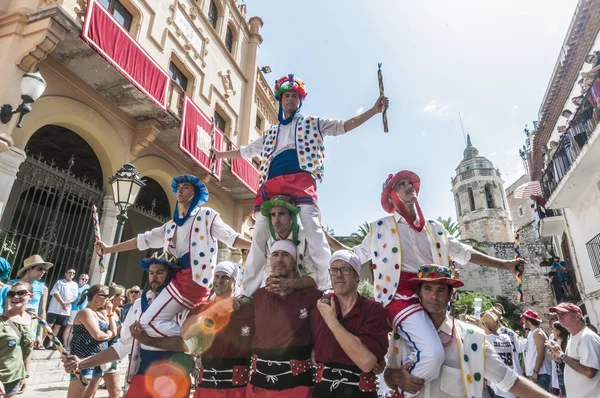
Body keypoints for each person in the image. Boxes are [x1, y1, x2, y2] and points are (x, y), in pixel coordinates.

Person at [326, 170, 525, 395]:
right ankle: (399, 390)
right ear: (391, 196)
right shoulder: (379, 228)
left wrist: (506, 264)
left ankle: (398, 377)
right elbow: (353, 256)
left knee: (454, 347)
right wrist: (324, 238)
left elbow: (465, 253)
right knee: (432, 354)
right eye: (401, 184)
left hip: (433, 297)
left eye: (409, 183)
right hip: (400, 298)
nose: (409, 186)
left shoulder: (436, 228)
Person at [212, 74, 389, 299]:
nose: (290, 99)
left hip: (301, 181)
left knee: (313, 229)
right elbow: (246, 151)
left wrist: (374, 111)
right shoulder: (270, 134)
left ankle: (327, 286)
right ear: (280, 100)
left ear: (300, 100)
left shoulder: (312, 123)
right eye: (286, 96)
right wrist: (220, 155)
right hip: (271, 183)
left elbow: (343, 126)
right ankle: (247, 291)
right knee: (259, 235)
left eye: (294, 96)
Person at [95, 174, 251, 340]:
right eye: (178, 188)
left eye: (185, 187)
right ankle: (194, 331)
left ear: (195, 192)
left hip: (193, 281)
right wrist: (109, 249)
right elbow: (143, 240)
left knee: (148, 323)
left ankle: (197, 334)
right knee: (144, 315)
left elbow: (231, 237)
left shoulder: (206, 215)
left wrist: (257, 244)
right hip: (174, 280)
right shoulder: (171, 225)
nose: (180, 190)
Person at [382, 265, 554, 398]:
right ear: (418, 292)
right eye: (428, 289)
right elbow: (388, 375)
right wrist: (394, 377)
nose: (433, 296)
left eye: (441, 290)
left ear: (450, 295)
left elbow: (509, 380)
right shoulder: (402, 335)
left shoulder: (473, 339)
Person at [64, 251, 192, 398]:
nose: (154, 277)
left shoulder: (185, 305)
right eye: (151, 273)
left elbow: (189, 344)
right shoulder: (138, 305)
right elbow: (122, 346)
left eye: (160, 272)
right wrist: (82, 363)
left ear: (172, 275)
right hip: (142, 376)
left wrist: (147, 340)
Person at [235, 239, 322, 397]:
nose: (279, 259)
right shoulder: (258, 296)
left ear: (295, 263)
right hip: (257, 387)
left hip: (296, 388)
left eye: (286, 255)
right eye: (275, 255)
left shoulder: (312, 297)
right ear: (270, 261)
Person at [311, 250, 388, 397]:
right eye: (334, 270)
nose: (338, 275)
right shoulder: (318, 309)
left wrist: (331, 321)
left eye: (345, 269)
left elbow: (366, 362)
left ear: (357, 276)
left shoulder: (373, 311)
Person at [173, 261, 253, 397]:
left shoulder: (248, 310)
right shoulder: (201, 308)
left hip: (238, 390)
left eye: (225, 277)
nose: (219, 281)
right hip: (206, 388)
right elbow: (185, 333)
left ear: (235, 281)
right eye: (216, 276)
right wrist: (217, 307)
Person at [255, 196, 320, 294]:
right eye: (273, 215)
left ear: (292, 217)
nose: (276, 220)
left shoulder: (307, 237)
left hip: (305, 295)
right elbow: (268, 271)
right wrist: (273, 282)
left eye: (281, 214)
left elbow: (316, 276)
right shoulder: (269, 240)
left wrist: (290, 283)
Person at [67, 284, 118, 398]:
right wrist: (108, 334)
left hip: (98, 360)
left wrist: (110, 313)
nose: (107, 301)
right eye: (106, 297)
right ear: (97, 296)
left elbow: (114, 332)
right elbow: (98, 335)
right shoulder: (86, 312)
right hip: (83, 360)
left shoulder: (100, 314)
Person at [546, 302, 600, 398]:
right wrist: (559, 358)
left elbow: (589, 372)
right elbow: (574, 363)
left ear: (578, 316)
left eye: (564, 314)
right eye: (558, 314)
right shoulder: (573, 336)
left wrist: (562, 355)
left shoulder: (586, 337)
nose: (559, 317)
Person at [2, 255, 52, 347]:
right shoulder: (12, 284)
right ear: (29, 269)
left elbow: (42, 312)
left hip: (31, 327)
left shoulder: (43, 288)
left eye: (44, 270)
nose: (43, 272)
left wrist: (40, 335)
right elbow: (7, 307)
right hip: (12, 325)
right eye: (39, 269)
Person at [0, 282, 34, 397]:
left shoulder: (32, 320)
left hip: (15, 377)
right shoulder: (1, 322)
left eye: (21, 293)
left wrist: (26, 375)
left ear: (31, 296)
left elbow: (28, 348)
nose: (15, 297)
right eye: (11, 294)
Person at [480, 310, 518, 398]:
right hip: (511, 382)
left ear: (485, 326)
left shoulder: (488, 340)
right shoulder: (506, 337)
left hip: (499, 387)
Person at [46, 268, 79, 347]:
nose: (71, 274)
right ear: (65, 274)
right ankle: (41, 341)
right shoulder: (60, 282)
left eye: (73, 273)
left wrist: (68, 302)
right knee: (49, 325)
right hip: (54, 308)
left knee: (57, 326)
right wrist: (62, 303)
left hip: (65, 310)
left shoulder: (75, 284)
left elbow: (75, 296)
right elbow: (55, 293)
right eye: (70, 272)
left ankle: (50, 343)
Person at [522, 309, 553, 391]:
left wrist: (535, 371)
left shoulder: (537, 334)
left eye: (524, 320)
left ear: (528, 321)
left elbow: (541, 354)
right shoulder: (531, 333)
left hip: (541, 373)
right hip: (534, 374)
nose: (523, 322)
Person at [492, 303, 524, 376]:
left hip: (502, 375)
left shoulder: (493, 334)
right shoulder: (511, 332)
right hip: (514, 372)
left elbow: (519, 353)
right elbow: (520, 353)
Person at [63, 273, 89, 350]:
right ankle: (65, 343)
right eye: (82, 279)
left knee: (74, 327)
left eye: (86, 279)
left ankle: (69, 343)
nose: (84, 281)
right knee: (69, 325)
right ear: (79, 279)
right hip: (74, 308)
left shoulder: (88, 287)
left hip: (82, 309)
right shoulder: (75, 285)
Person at [551, 321, 569, 397]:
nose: (552, 331)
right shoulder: (559, 342)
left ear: (558, 331)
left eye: (553, 329)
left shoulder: (566, 344)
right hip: (560, 380)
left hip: (567, 380)